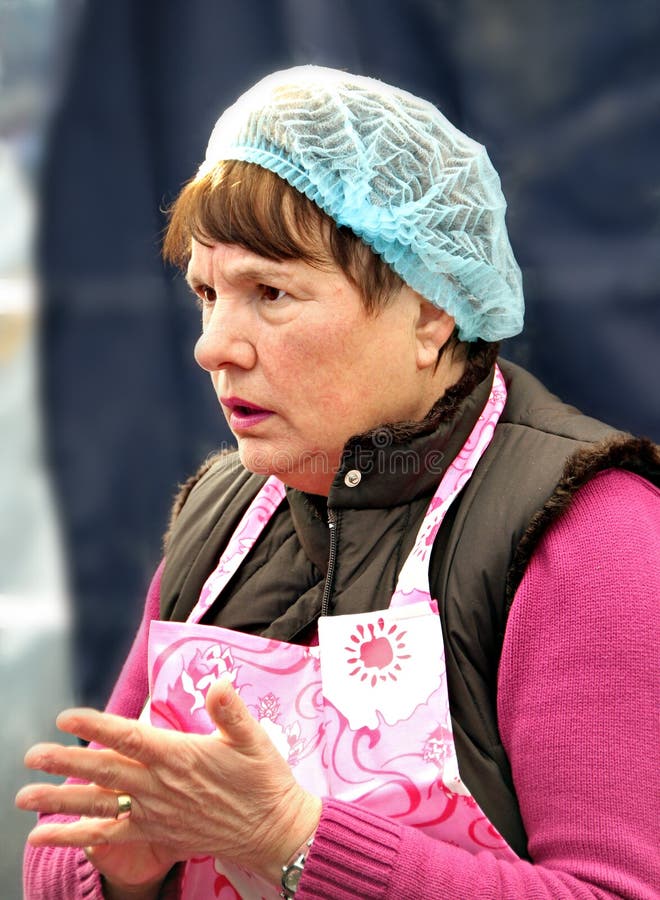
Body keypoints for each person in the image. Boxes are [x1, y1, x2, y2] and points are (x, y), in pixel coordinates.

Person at [16, 66, 659, 900]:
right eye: (208, 294)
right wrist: (119, 870)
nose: (215, 346)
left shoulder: (589, 532)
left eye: (270, 293)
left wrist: (289, 838)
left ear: (430, 310)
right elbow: (65, 848)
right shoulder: (220, 516)